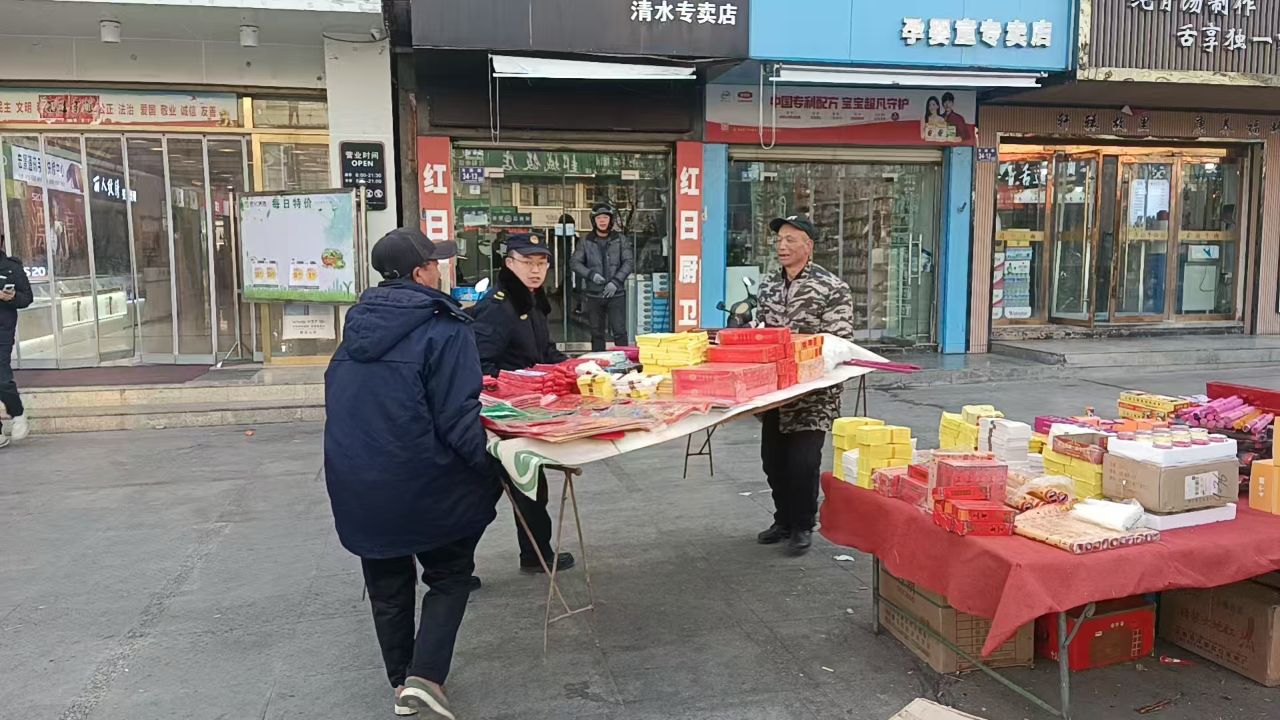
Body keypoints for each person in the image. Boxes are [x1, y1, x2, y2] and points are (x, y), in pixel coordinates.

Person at [324, 227, 500, 720]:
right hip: (422, 479)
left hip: (356, 480)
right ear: (422, 273)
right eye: (436, 263)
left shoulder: (356, 328)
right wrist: (495, 466)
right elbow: (457, 416)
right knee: (450, 574)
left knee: (388, 586)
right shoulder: (446, 327)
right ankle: (425, 677)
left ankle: (402, 682)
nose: (441, 270)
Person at [470, 233, 577, 575]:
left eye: (541, 263)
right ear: (509, 263)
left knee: (528, 484)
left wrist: (576, 367)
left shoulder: (531, 301)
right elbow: (480, 365)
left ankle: (534, 554)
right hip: (500, 415)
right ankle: (452, 571)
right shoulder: (498, 306)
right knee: (485, 495)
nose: (535, 270)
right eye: (527, 262)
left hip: (527, 411)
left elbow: (543, 353)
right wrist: (518, 383)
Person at [754, 215, 854, 555]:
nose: (782, 246)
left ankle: (802, 524)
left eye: (790, 240)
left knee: (803, 463)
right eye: (779, 240)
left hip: (814, 393)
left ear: (808, 246)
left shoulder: (832, 288)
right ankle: (783, 519)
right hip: (776, 391)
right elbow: (761, 331)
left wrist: (800, 355)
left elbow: (838, 341)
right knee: (772, 460)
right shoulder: (768, 285)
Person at [570, 202, 633, 351]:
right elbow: (574, 263)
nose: (602, 221)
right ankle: (598, 360)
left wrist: (616, 282)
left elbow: (629, 262)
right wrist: (591, 275)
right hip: (594, 294)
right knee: (596, 333)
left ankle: (623, 360)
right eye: (599, 218)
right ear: (594, 220)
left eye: (605, 217)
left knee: (619, 331)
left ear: (611, 220)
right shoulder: (585, 240)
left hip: (616, 294)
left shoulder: (620, 239)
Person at [0, 249, 33, 448]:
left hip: (2, 331)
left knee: (2, 378)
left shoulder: (12, 268)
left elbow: (27, 297)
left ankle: (18, 414)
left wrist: (10, 298)